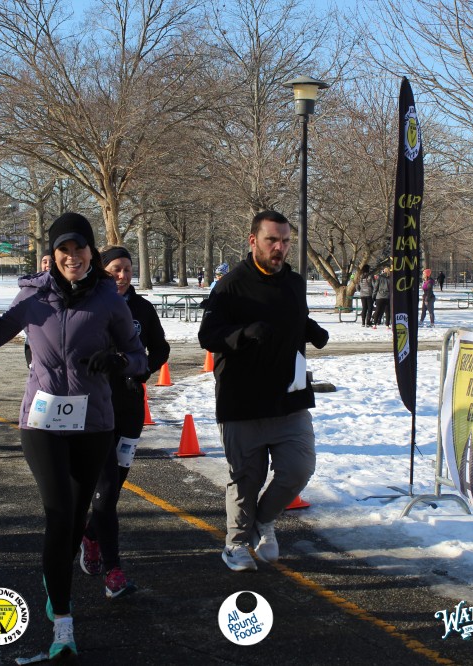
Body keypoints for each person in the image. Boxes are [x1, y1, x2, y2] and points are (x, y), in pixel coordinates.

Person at [0, 212, 147, 660]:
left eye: (79, 248)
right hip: (42, 423)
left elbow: (139, 357)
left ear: (92, 252)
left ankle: (57, 582)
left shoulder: (109, 300)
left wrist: (117, 362)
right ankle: (63, 627)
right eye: (63, 249)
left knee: (74, 519)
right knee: (58, 513)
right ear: (51, 254)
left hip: (93, 424)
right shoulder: (33, 296)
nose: (72, 257)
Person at [198, 210, 329, 572]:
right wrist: (243, 334)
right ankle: (236, 543)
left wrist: (310, 329)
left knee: (298, 469)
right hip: (243, 401)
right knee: (246, 480)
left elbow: (290, 316)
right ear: (253, 240)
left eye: (285, 241)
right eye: (272, 240)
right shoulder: (230, 285)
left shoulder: (295, 283)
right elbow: (208, 336)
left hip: (290, 397)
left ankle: (264, 521)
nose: (279, 248)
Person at [79, 245, 169, 599]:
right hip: (95, 407)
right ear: (101, 270)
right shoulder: (88, 305)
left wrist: (143, 369)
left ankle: (91, 533)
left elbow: (160, 348)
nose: (122, 275)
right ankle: (112, 569)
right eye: (115, 269)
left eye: (128, 269)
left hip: (130, 406)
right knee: (105, 486)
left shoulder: (142, 308)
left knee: (117, 482)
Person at [23, 254, 52, 367]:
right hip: (35, 340)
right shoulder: (32, 287)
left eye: (51, 262)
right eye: (45, 262)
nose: (48, 265)